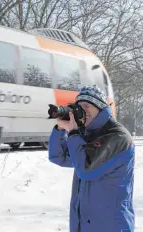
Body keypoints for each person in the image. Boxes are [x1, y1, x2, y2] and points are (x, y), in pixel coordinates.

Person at [48, 85, 135, 232]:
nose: (82, 110)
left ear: (100, 107)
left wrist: (74, 133)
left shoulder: (117, 137)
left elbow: (86, 169)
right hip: (83, 224)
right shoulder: (86, 135)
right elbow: (58, 156)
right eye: (79, 106)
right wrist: (60, 130)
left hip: (110, 225)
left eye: (87, 105)